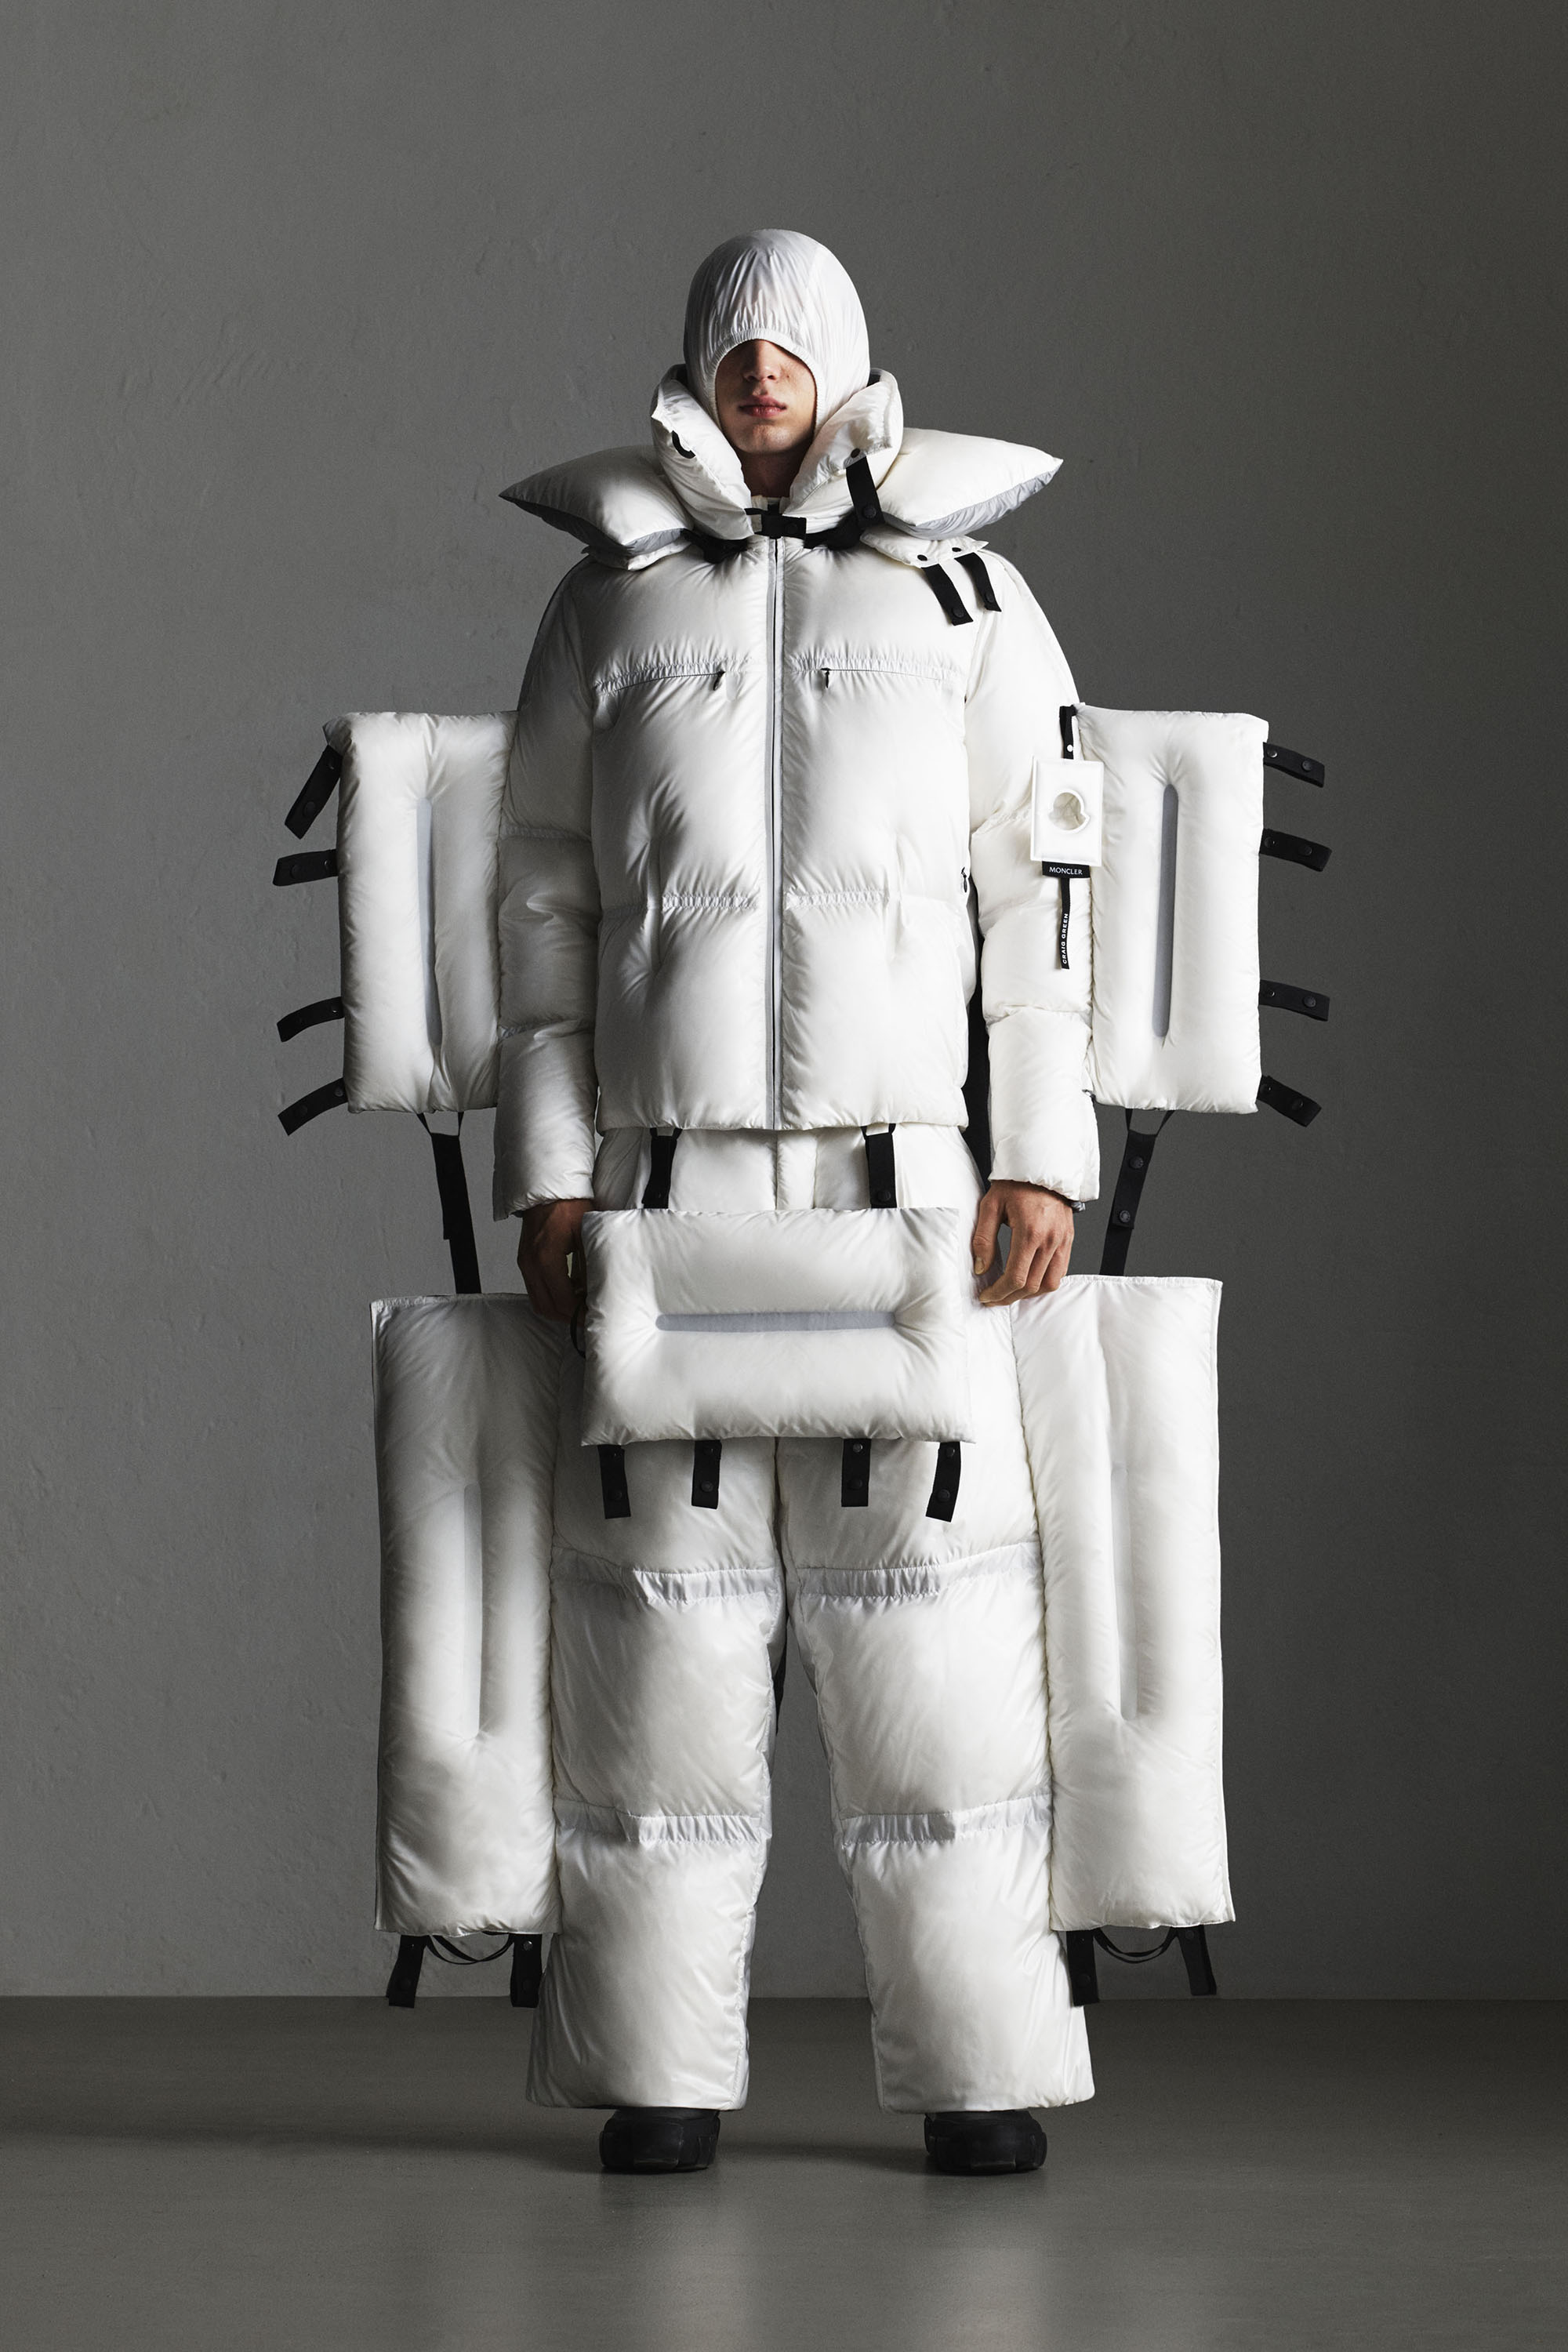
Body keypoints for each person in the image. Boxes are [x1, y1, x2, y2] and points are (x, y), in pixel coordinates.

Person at [496, 229, 1098, 2174]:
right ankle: (656, 2075)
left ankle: (983, 2069)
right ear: (690, 364)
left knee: (934, 1644)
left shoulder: (965, 596)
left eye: (794, 336)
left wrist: (1039, 1152)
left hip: (903, 1189)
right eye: (732, 337)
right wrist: (548, 1173)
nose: (762, 364)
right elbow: (543, 907)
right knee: (661, 1650)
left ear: (844, 360)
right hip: (663, 1199)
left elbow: (1041, 895)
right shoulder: (605, 607)